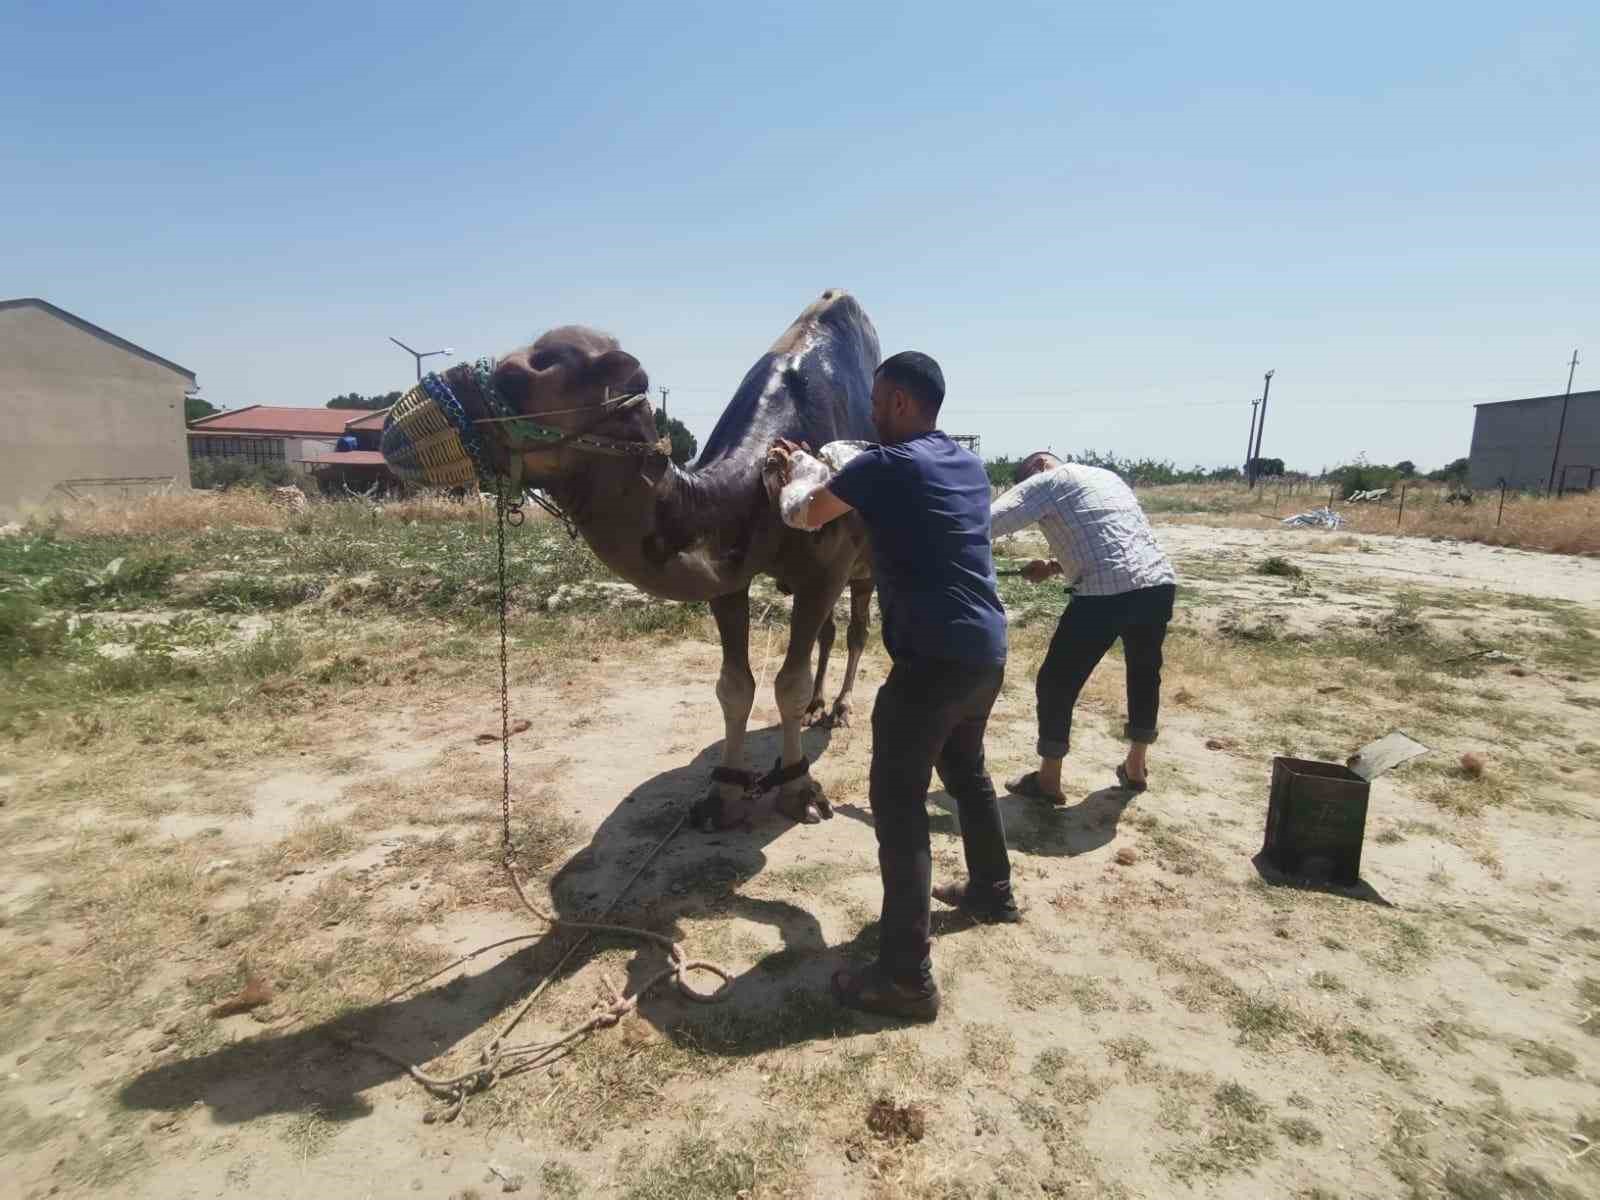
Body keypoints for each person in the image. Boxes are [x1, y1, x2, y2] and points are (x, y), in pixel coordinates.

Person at [764, 351, 1017, 1022]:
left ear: (902, 402)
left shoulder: (885, 464)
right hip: (985, 652)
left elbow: (804, 515)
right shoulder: (965, 463)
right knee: (968, 771)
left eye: (877, 402)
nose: (870, 413)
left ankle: (906, 978)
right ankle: (993, 890)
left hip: (930, 665)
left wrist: (798, 472)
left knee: (899, 813)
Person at [989, 451, 1178, 803]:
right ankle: (1136, 767)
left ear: (1041, 465)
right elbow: (1113, 542)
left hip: (1104, 595)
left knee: (1056, 681)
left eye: (1025, 480)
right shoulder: (1107, 477)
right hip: (1157, 584)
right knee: (1144, 673)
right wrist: (1053, 566)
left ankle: (1048, 781)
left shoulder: (1048, 480)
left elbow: (987, 521)